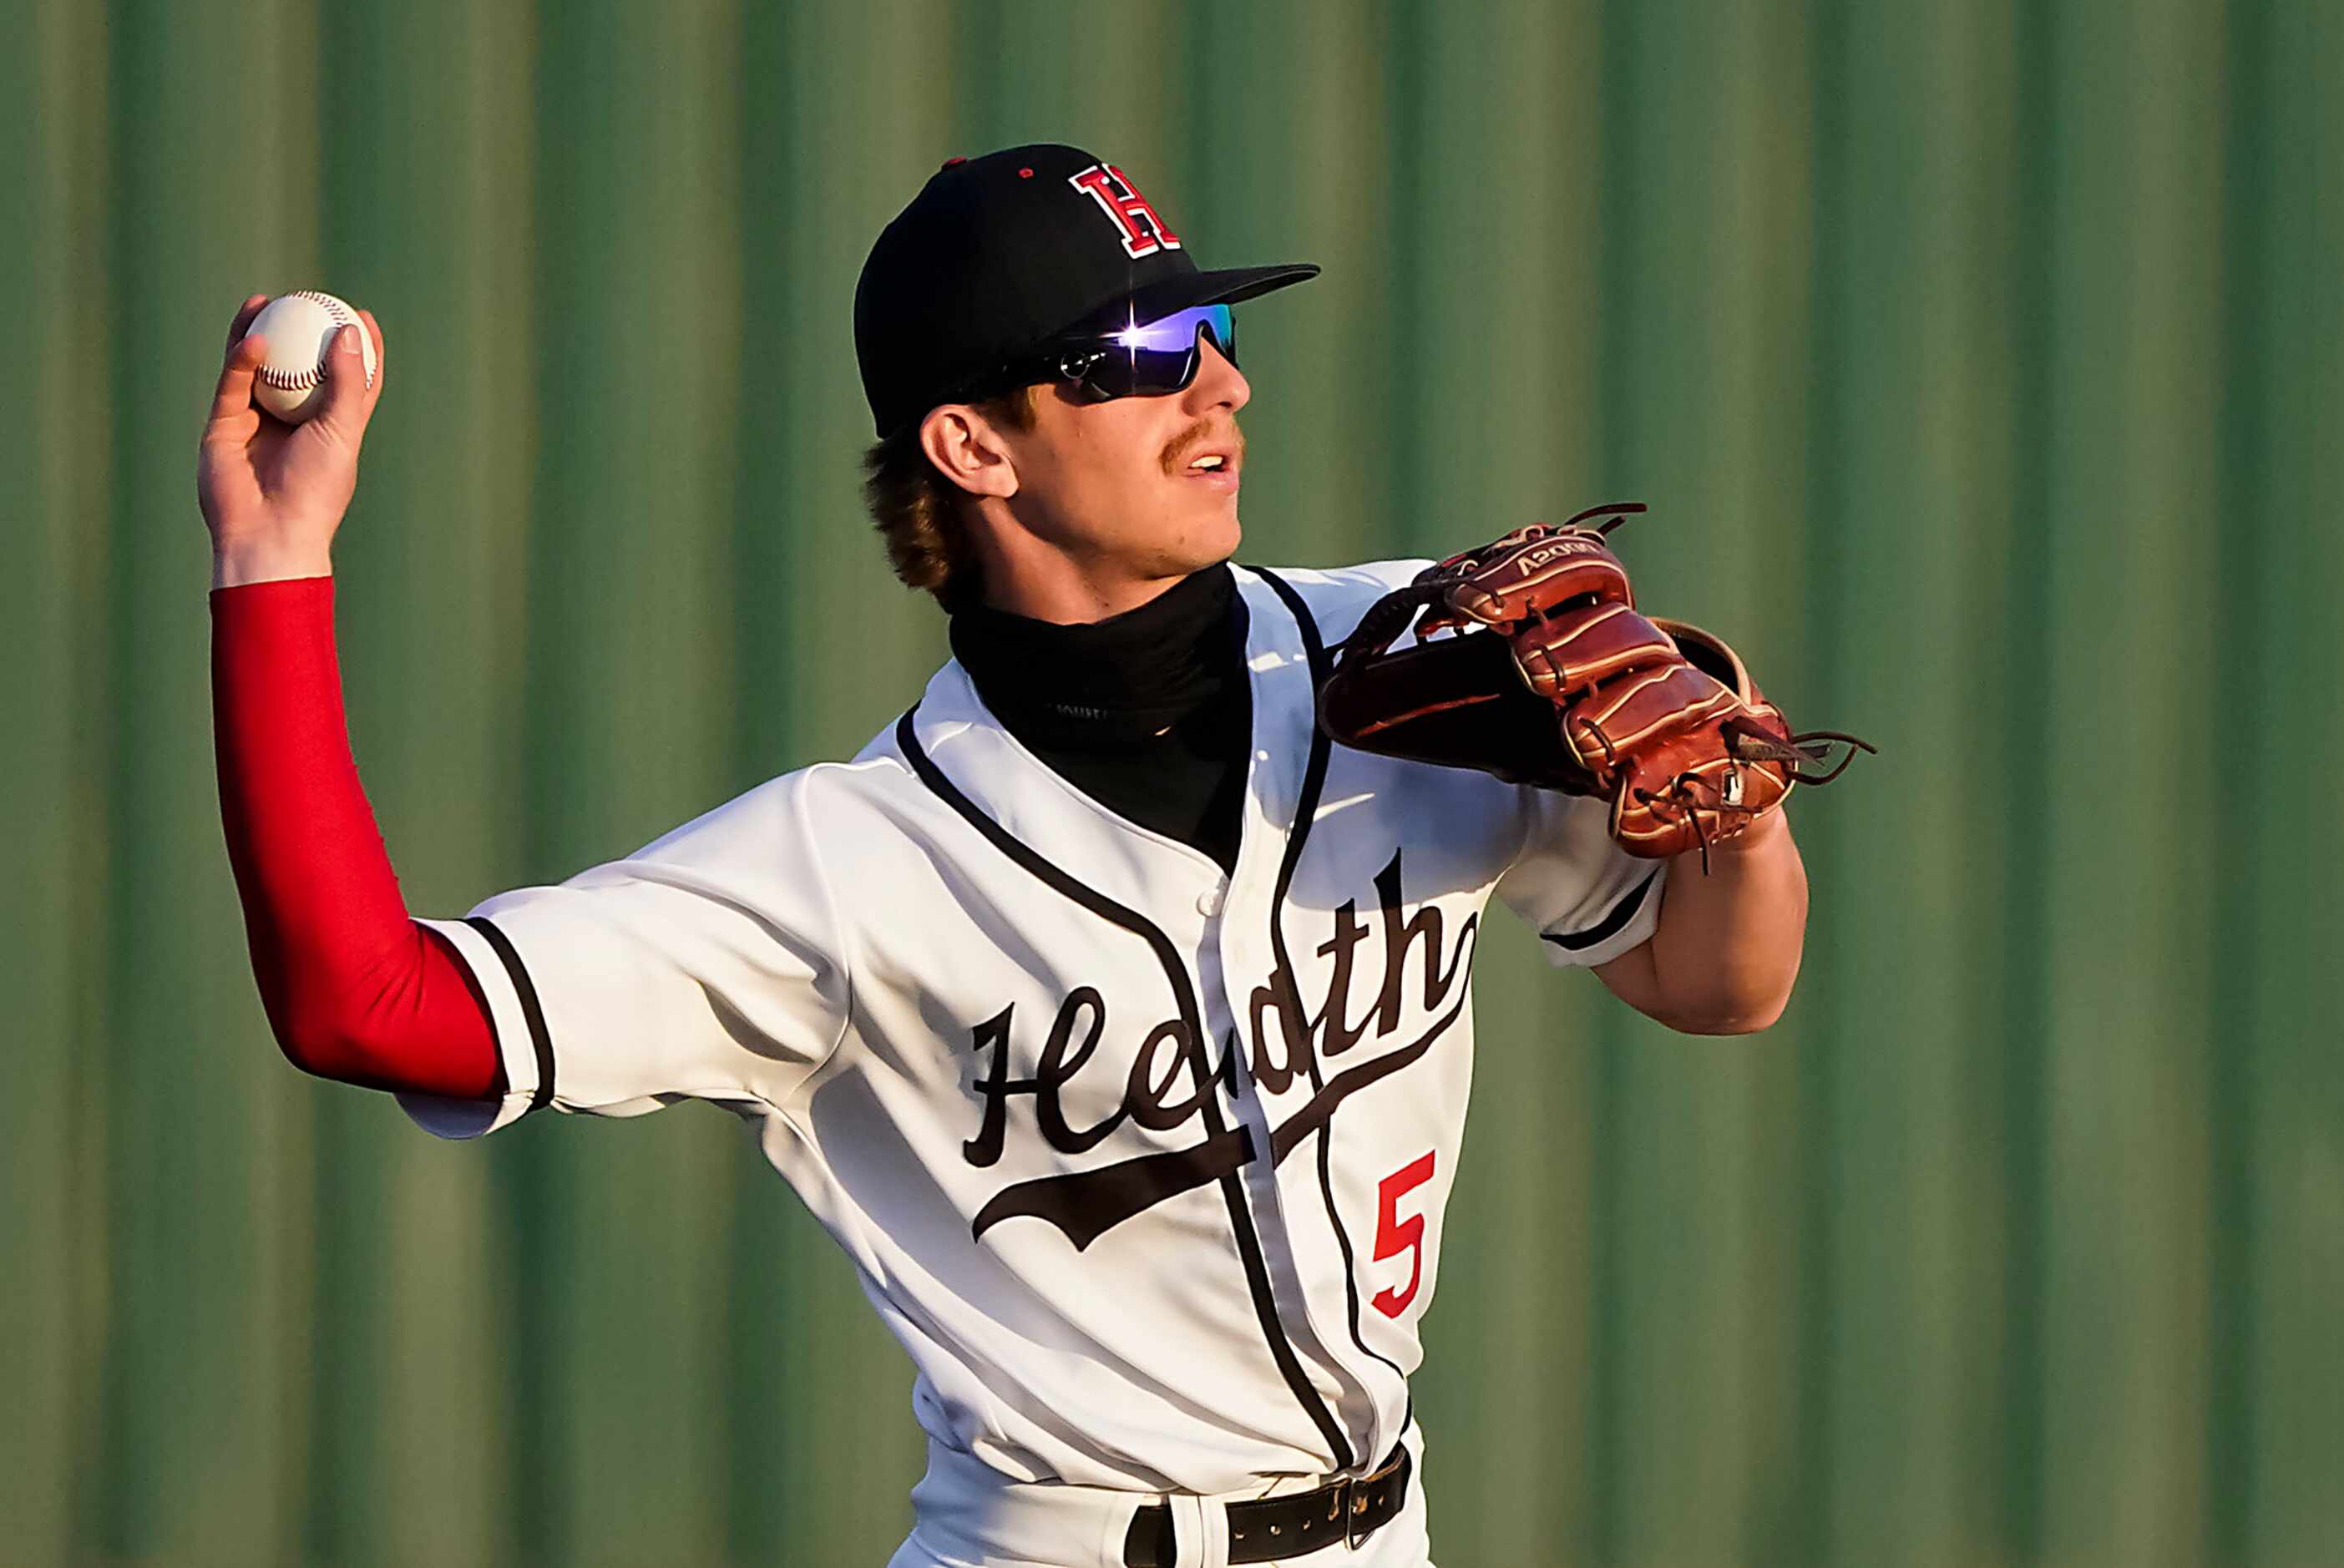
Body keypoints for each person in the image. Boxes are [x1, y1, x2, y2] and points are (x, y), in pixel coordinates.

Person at [200, 144, 1809, 1568]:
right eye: (1148, 349)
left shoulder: (1411, 660)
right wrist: (276, 558)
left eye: (1219, 332)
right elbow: (363, 1002)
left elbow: (1718, 984)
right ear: (975, 445)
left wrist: (1736, 811)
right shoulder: (847, 868)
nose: (1222, 385)